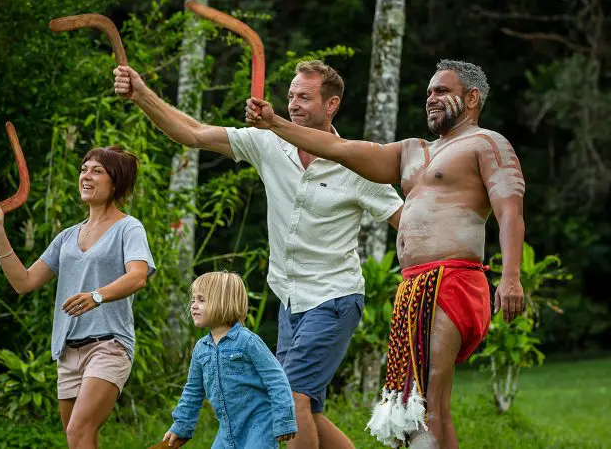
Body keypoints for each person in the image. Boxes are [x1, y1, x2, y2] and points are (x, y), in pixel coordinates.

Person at [114, 60, 404, 448]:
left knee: (293, 397)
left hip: (334, 298)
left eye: (304, 97)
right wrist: (141, 93)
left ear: (331, 104)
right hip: (289, 300)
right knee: (306, 407)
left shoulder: (355, 163)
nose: (294, 104)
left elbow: (409, 223)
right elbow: (194, 133)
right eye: (290, 96)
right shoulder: (270, 144)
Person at [244, 59, 526, 448]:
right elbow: (339, 148)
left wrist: (511, 276)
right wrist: (275, 123)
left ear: (473, 97)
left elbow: (509, 211)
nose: (431, 98)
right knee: (413, 404)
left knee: (429, 403)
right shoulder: (412, 152)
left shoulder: (486, 144)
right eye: (429, 91)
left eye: (442, 91)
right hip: (414, 287)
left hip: (453, 280)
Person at [0, 145, 156, 449]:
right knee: (78, 440)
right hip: (68, 352)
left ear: (116, 182)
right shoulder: (66, 237)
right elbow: (24, 282)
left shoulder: (129, 228)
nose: (86, 175)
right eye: (83, 169)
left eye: (96, 171)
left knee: (78, 429)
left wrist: (97, 296)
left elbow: (138, 275)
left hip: (109, 346)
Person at [162, 271, 297, 448]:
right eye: (193, 300)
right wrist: (181, 426)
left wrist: (283, 420)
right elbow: (193, 391)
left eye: (201, 300)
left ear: (223, 302)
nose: (193, 305)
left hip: (259, 425)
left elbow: (276, 379)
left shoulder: (248, 342)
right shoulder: (201, 349)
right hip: (227, 430)